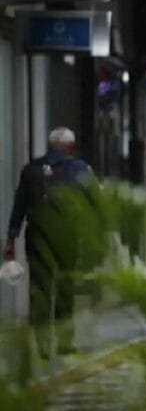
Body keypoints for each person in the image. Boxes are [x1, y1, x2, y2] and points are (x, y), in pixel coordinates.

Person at [3, 127, 92, 357]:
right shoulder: (80, 170)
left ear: (51, 145)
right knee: (64, 288)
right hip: (66, 238)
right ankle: (64, 343)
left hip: (37, 236)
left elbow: (19, 205)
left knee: (40, 290)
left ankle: (42, 345)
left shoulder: (31, 170)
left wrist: (11, 238)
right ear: (71, 147)